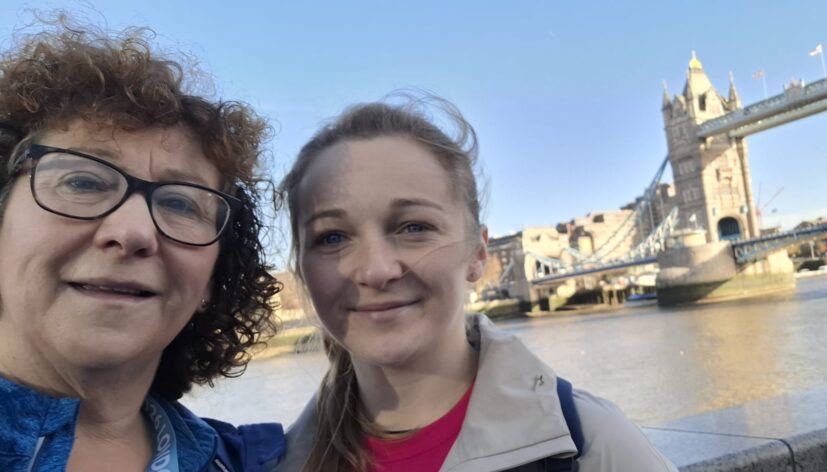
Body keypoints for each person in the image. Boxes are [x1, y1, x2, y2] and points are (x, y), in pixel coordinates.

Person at [275, 96, 675, 471]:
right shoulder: (276, 462)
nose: (376, 270)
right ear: (304, 273)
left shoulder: (593, 447)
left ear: (478, 255)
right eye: (332, 237)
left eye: (414, 227)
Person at [0, 18, 284, 472]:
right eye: (82, 180)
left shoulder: (257, 461)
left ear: (212, 276)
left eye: (181, 204)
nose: (133, 232)